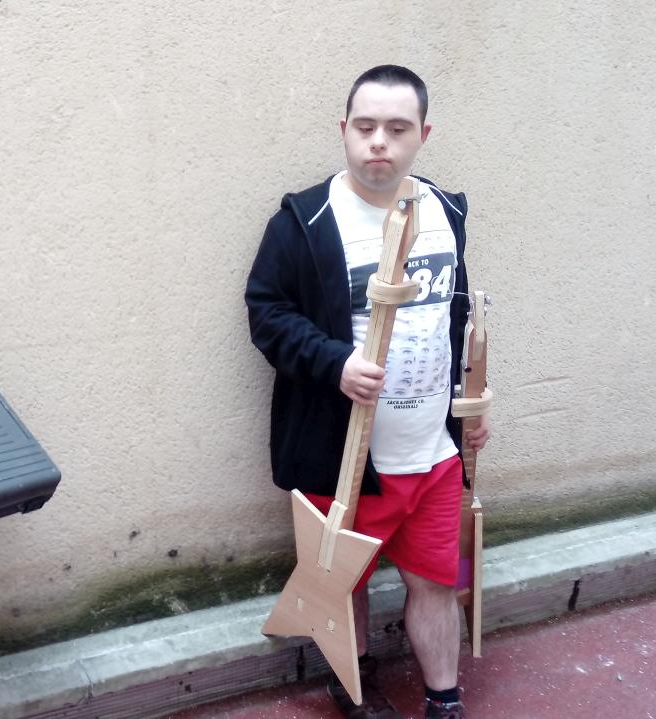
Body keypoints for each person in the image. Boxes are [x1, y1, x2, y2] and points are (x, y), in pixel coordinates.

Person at [245, 65, 491, 719]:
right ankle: (353, 691)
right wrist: (335, 364)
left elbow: (452, 321)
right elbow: (267, 313)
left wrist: (467, 406)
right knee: (343, 582)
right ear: (344, 130)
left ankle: (444, 700)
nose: (379, 141)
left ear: (423, 135)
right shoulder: (305, 220)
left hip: (433, 453)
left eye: (397, 128)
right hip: (343, 453)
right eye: (366, 126)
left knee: (436, 580)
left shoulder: (444, 212)